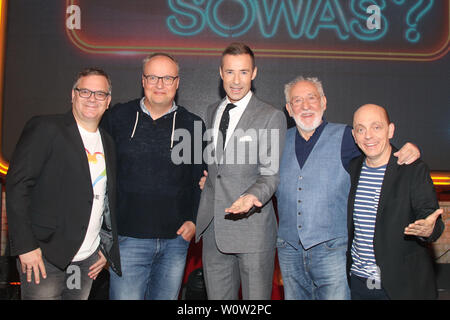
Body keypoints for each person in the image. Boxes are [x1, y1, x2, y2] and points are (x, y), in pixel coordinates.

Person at [275, 76, 421, 300]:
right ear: (289, 108)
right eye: (297, 101)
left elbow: (377, 149)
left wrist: (406, 150)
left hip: (332, 250)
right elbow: (257, 178)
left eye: (312, 98)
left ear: (324, 102)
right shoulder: (278, 142)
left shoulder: (346, 136)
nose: (305, 106)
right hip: (289, 249)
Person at [6, 67, 121, 300]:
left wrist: (104, 249)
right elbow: (17, 187)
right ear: (73, 95)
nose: (92, 98)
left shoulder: (107, 141)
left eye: (100, 94)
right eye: (85, 91)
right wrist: (25, 247)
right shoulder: (46, 128)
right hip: (45, 257)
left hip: (87, 260)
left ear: (108, 101)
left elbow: (104, 200)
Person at [102, 53, 205, 300]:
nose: (160, 84)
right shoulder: (117, 118)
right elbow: (99, 173)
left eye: (167, 78)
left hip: (175, 243)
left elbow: (199, 180)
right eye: (153, 77)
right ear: (143, 80)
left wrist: (194, 222)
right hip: (128, 240)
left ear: (177, 83)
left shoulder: (193, 124)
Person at [195, 43, 287, 300]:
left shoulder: (270, 116)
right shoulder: (212, 111)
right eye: (230, 72)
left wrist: (252, 196)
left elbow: (271, 174)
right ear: (221, 73)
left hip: (252, 229)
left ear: (254, 73)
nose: (236, 81)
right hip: (214, 229)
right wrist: (210, 180)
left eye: (244, 72)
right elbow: (218, 168)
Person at [347, 104, 444, 300]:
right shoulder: (352, 168)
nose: (368, 136)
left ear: (390, 130)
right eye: (361, 129)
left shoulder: (413, 169)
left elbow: (430, 218)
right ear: (354, 136)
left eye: (376, 127)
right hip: (359, 282)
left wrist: (427, 230)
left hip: (400, 285)